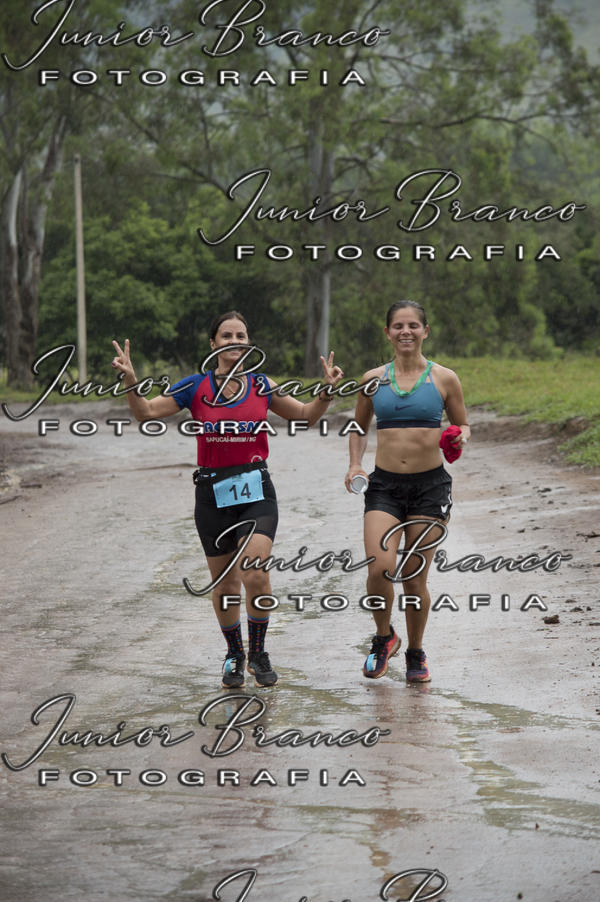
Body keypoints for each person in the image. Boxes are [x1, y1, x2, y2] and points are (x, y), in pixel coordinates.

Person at [112, 311, 343, 689]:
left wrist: (326, 391)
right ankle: (234, 653)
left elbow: (304, 416)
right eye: (227, 335)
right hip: (211, 494)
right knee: (224, 585)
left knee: (256, 574)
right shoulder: (195, 386)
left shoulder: (262, 385)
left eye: (241, 334)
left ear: (248, 343)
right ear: (213, 344)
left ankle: (259, 652)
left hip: (256, 491)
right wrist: (131, 381)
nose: (235, 340)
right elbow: (146, 413)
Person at [345, 300, 469, 682]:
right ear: (388, 333)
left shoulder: (445, 378)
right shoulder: (373, 379)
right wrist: (354, 464)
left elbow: (463, 425)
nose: (406, 332)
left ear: (425, 331)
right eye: (398, 326)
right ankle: (385, 638)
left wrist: (457, 438)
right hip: (384, 486)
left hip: (430, 488)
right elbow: (358, 427)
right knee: (379, 570)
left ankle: (416, 652)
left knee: (414, 578)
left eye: (413, 325)